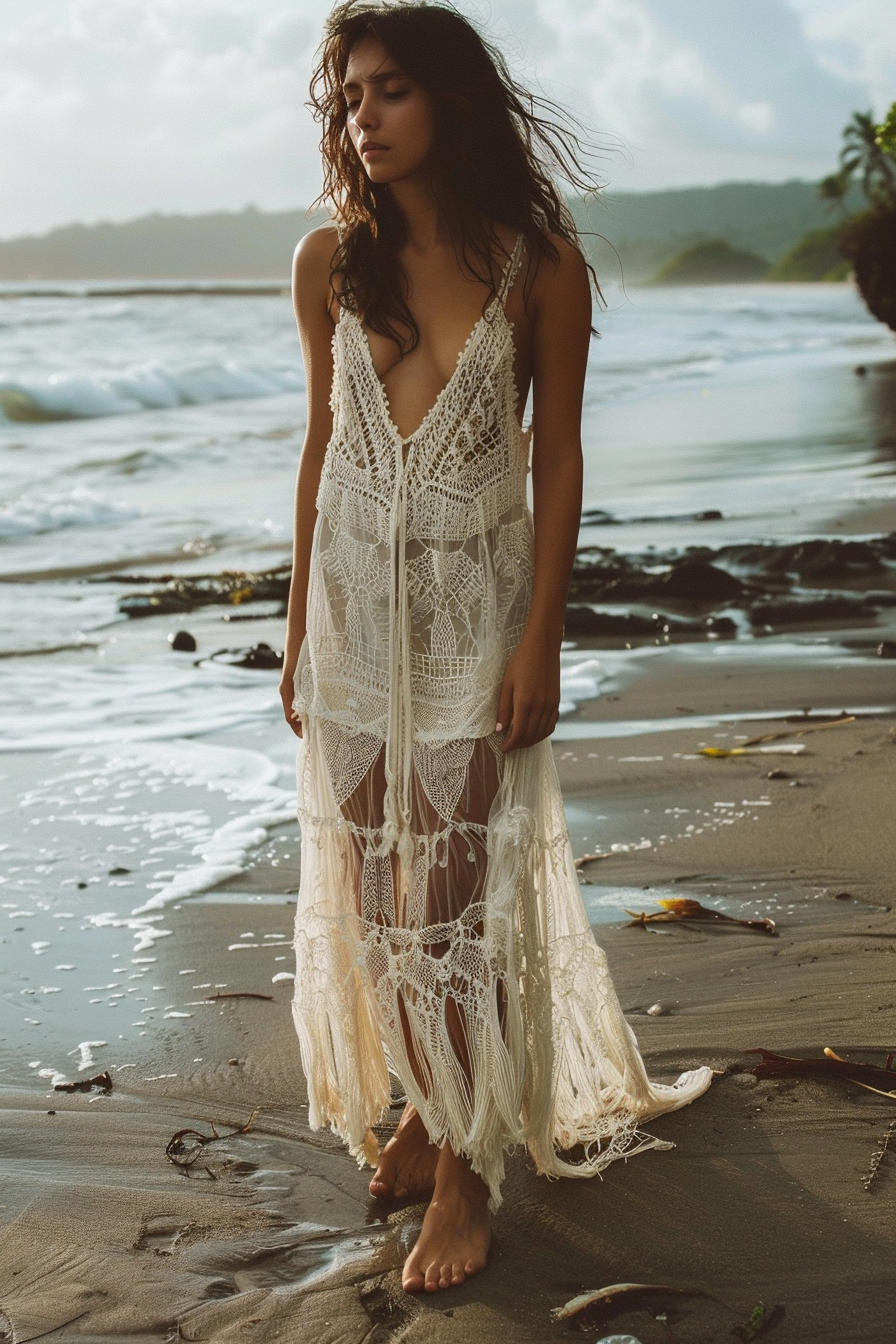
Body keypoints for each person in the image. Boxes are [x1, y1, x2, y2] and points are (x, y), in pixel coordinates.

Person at [279, 0, 712, 1297]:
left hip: (476, 620)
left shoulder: (540, 264)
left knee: (447, 905)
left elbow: (559, 459)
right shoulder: (326, 264)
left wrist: (545, 640)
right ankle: (426, 1101)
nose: (365, 116)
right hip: (356, 618)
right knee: (374, 902)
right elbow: (317, 453)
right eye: (351, 96)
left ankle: (467, 1165)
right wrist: (297, 624)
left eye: (391, 89)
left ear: (451, 100)